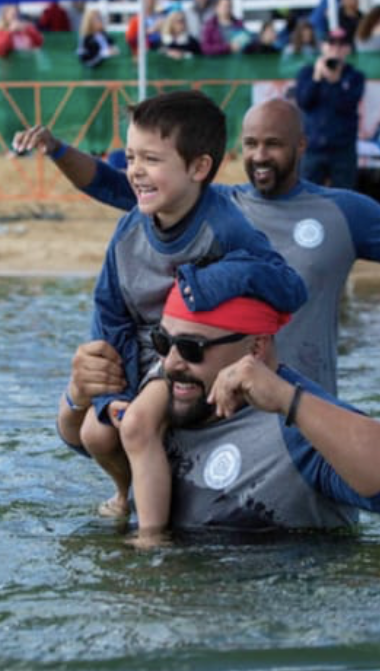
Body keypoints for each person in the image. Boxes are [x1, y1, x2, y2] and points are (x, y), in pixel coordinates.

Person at [15, 99, 380, 514]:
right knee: (116, 429)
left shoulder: (337, 213)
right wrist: (84, 393)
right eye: (250, 143)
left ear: (301, 146)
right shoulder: (198, 202)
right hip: (193, 406)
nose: (259, 155)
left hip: (287, 419)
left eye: (273, 144)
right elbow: (117, 185)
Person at [54, 91, 308, 522]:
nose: (135, 171)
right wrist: (112, 394)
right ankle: (126, 495)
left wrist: (208, 282)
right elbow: (110, 313)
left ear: (198, 167)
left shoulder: (225, 226)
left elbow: (289, 287)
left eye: (151, 160)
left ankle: (152, 540)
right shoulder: (128, 231)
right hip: (142, 351)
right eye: (130, 157)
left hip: (189, 356)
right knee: (96, 433)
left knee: (135, 425)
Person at [60, 280, 380, 538]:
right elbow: (80, 438)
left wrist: (289, 401)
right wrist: (78, 394)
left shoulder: (295, 429)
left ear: (255, 350)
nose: (172, 362)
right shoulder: (162, 401)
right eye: (164, 341)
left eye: (192, 348)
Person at [294, 28, 366, 190]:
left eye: (341, 45)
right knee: (306, 196)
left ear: (347, 49)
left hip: (342, 149)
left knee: (344, 198)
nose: (336, 48)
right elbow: (304, 102)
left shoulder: (355, 76)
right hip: (312, 147)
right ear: (323, 46)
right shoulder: (307, 73)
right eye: (331, 43)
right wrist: (317, 78)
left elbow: (347, 105)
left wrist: (335, 83)